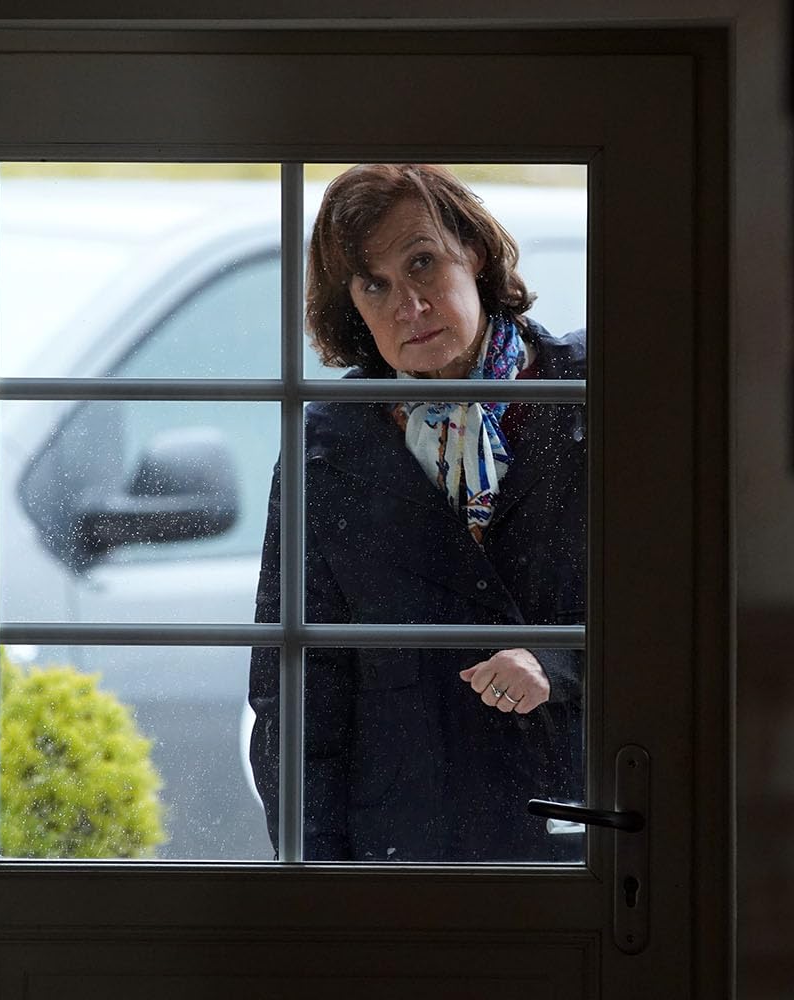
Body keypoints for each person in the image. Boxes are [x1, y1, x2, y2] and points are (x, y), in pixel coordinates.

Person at [248, 164, 585, 863]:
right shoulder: (325, 446)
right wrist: (313, 882)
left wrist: (559, 661)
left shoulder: (592, 389)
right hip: (408, 855)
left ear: (476, 253)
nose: (409, 305)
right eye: (374, 285)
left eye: (423, 262)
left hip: (587, 837)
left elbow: (673, 609)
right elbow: (295, 695)